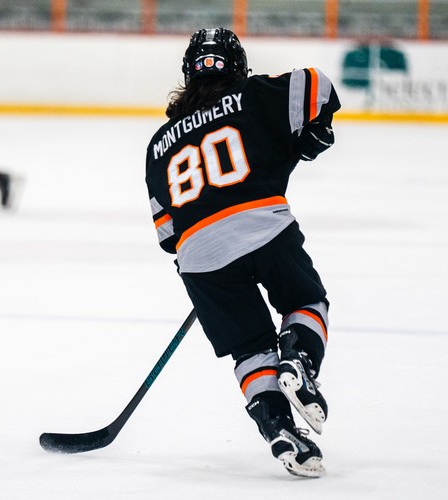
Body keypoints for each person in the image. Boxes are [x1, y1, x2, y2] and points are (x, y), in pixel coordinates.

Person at [145, 28, 340, 478]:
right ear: (238, 67)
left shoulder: (158, 145)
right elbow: (318, 86)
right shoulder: (253, 96)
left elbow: (168, 234)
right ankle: (299, 360)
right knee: (306, 303)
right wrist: (316, 130)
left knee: (250, 348)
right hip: (262, 226)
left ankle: (278, 429)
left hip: (199, 257)